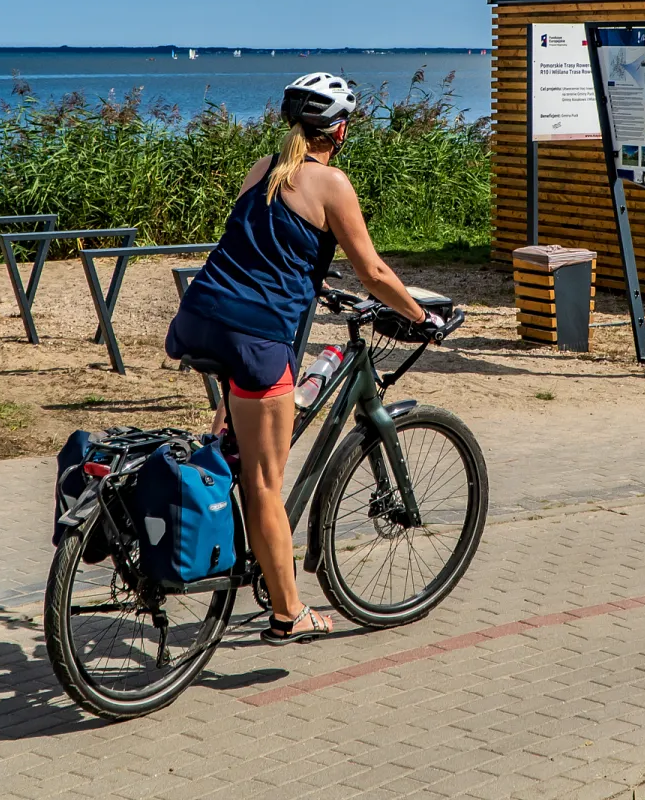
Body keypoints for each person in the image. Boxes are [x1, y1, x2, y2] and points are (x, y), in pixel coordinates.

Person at [166, 72, 440, 645]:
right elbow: (374, 272)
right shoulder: (331, 183)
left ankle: (214, 523)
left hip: (200, 317)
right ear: (338, 130)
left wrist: (310, 283)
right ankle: (288, 613)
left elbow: (258, 246)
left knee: (234, 443)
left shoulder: (262, 169)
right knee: (266, 481)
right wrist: (421, 316)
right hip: (256, 335)